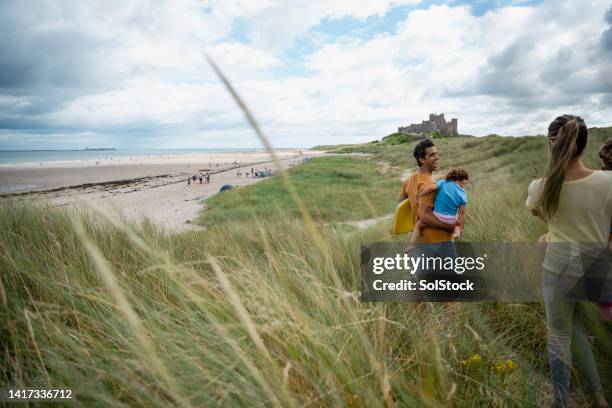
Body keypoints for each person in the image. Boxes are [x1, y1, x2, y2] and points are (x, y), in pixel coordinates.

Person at [526, 115, 612, 408]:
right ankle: (597, 395)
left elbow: (543, 218)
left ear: (552, 143)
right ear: (585, 143)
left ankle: (561, 401)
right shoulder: (608, 181)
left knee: (560, 336)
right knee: (578, 331)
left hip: (558, 269)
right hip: (597, 272)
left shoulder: (539, 187)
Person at [409, 168, 468, 246]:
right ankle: (455, 232)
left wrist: (420, 194)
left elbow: (430, 188)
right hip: (451, 220)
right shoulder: (463, 194)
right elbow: (462, 213)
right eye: (466, 182)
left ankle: (411, 245)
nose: (465, 184)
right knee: (456, 223)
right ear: (463, 180)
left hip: (438, 216)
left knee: (419, 223)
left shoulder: (443, 182)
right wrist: (461, 228)